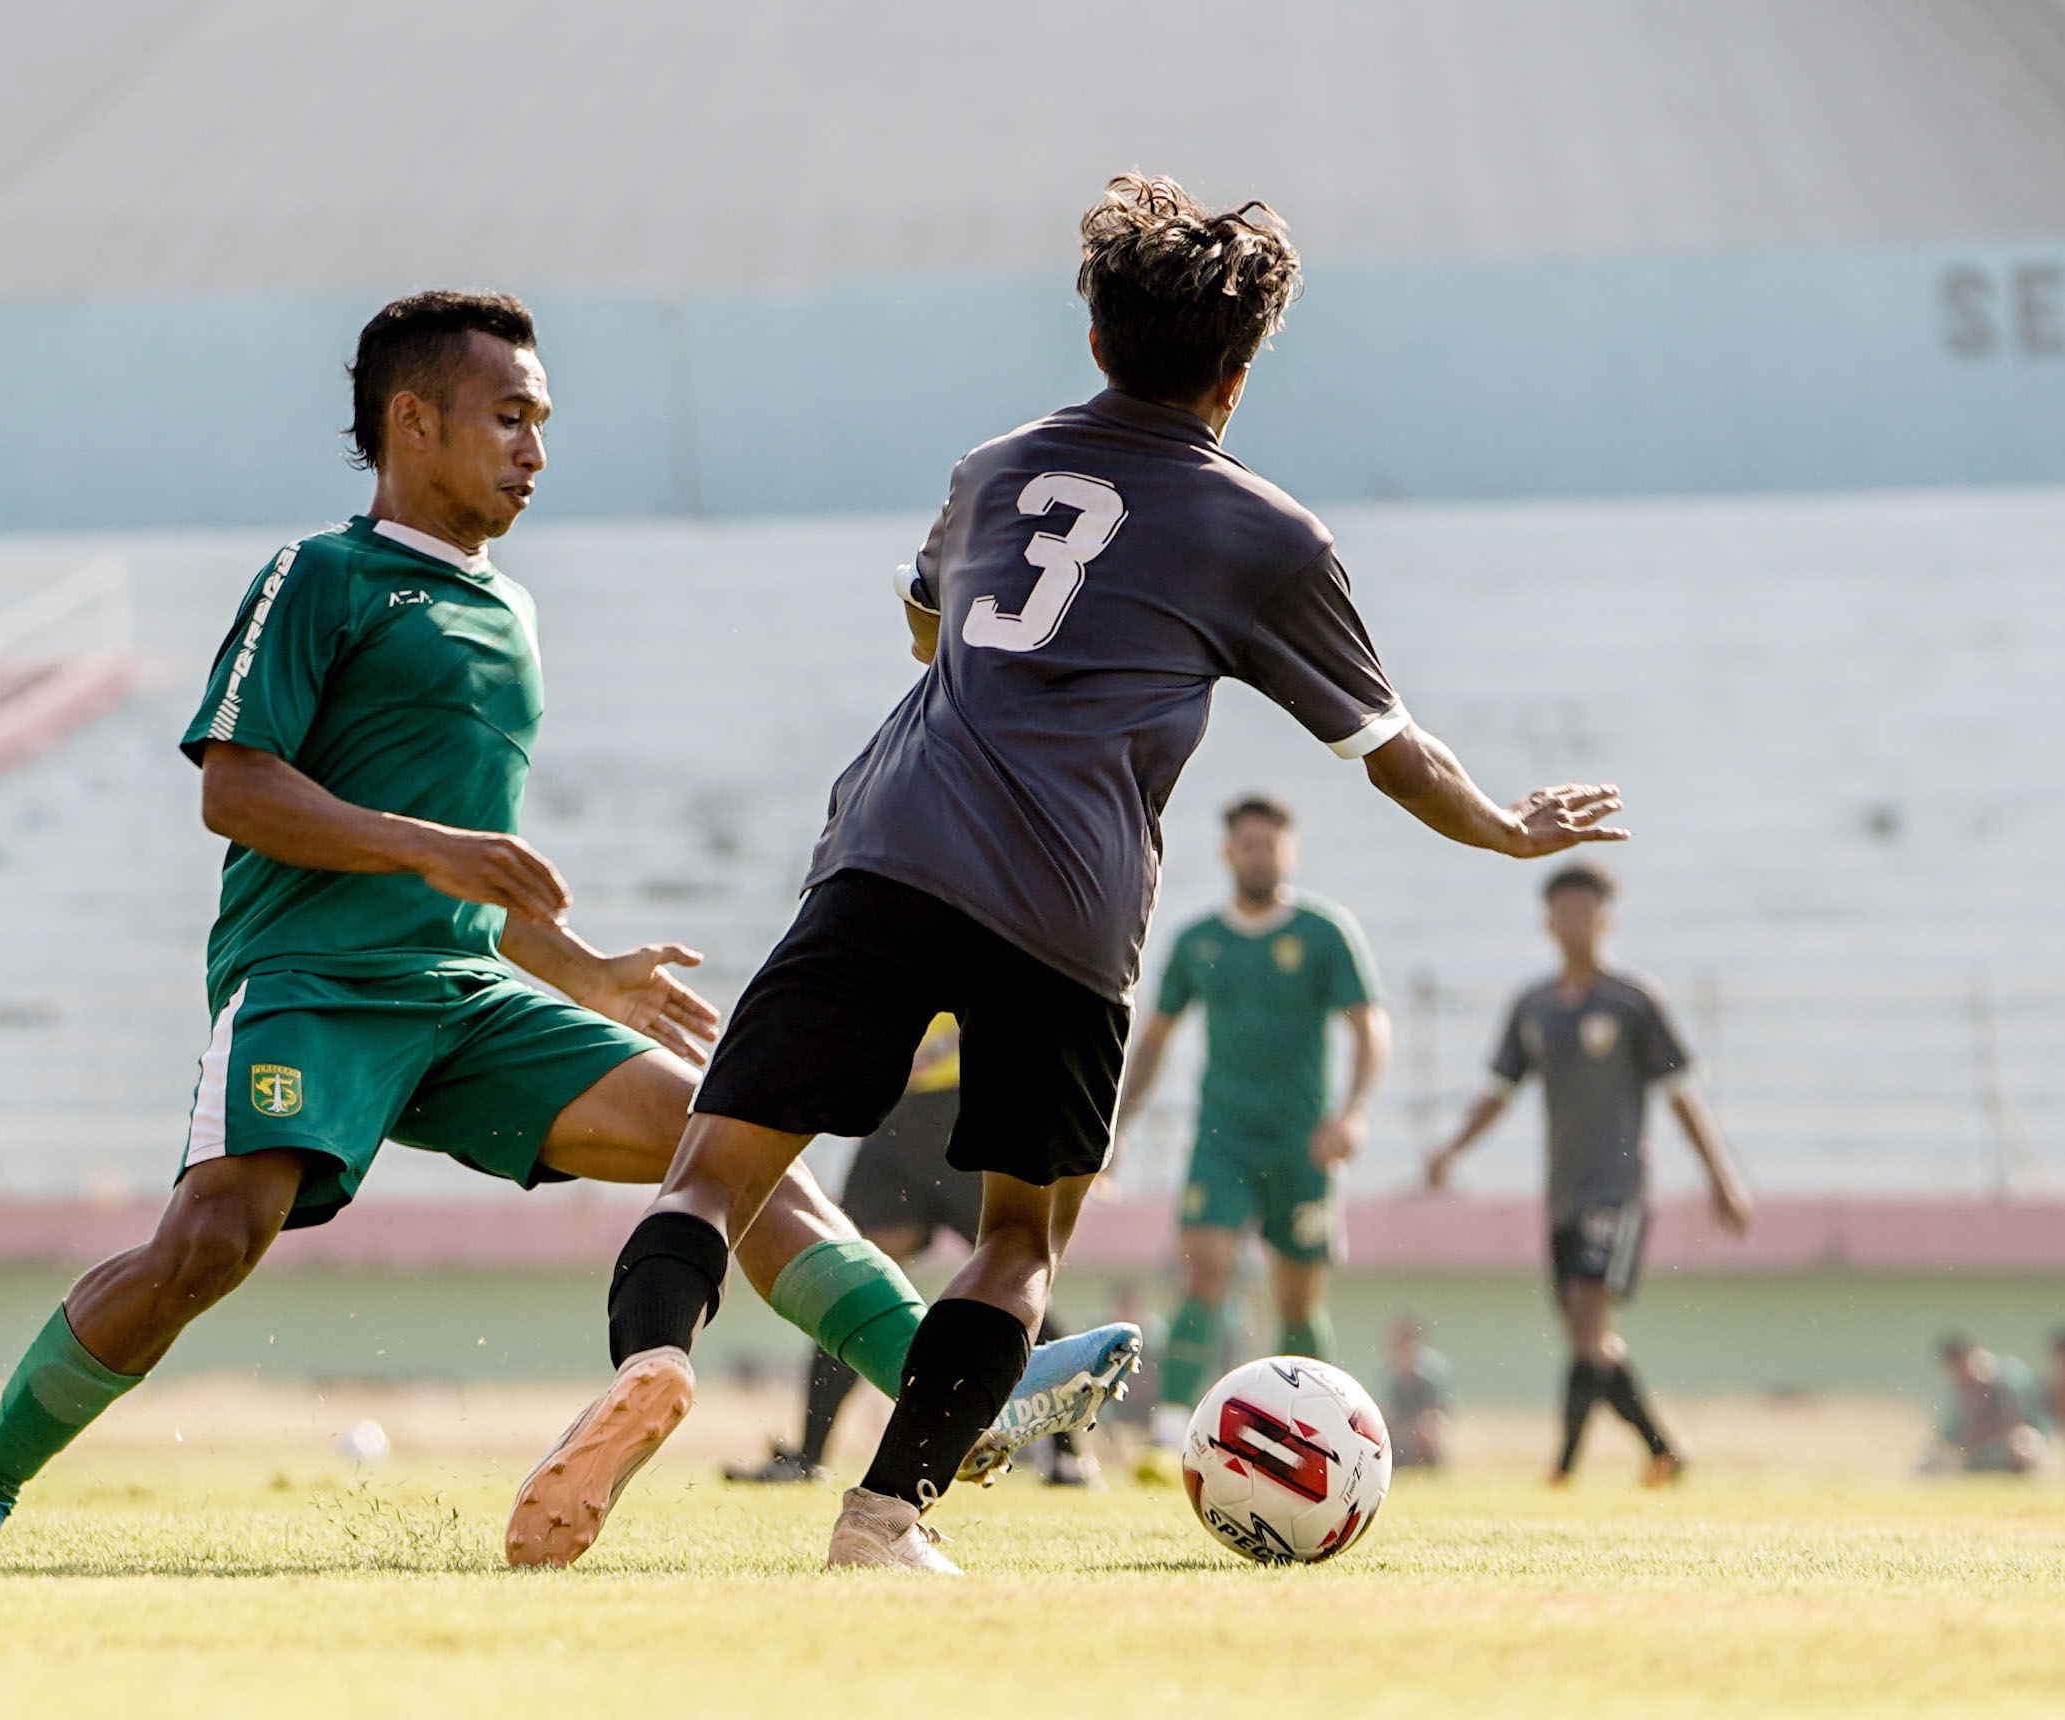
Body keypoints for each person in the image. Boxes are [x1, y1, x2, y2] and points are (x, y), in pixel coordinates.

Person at [511, 172, 1632, 1575]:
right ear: (1240, 371)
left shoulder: (995, 468)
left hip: (890, 850)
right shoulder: (1268, 534)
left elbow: (930, 632)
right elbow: (1389, 750)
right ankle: (883, 1518)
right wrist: (1509, 830)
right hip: (1068, 907)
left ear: (1094, 337)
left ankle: (655, 1361)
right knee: (1019, 1242)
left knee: (708, 1181)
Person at [0, 291, 1100, 1557]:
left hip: (469, 1000)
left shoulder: (511, 613)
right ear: (412, 421)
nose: (536, 449)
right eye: (510, 417)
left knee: (731, 1148)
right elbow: (233, 788)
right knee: (208, 1243)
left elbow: (484, 875)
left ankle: (958, 1382)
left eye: (543, 420)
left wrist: (584, 970)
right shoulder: (322, 576)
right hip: (314, 983)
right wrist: (436, 850)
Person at [1425, 863, 1751, 1485]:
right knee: (1584, 1333)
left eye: (1587, 911)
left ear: (1605, 920)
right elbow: (1498, 1091)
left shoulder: (1634, 1001)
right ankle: (1659, 1450)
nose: (1575, 924)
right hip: (1564, 1195)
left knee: (1585, 1315)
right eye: (1564, 911)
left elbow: (1681, 1095)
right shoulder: (1534, 1007)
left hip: (1618, 1190)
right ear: (1549, 922)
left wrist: (1721, 1178)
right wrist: (1450, 1151)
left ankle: (1567, 1466)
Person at [1114, 793, 1387, 1473]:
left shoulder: (1325, 933)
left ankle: (1322, 1436)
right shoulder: (1199, 941)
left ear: (1288, 852)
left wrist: (1352, 1111)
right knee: (1204, 1267)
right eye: (1247, 844)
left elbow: (1368, 1026)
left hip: (1303, 1143)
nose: (1259, 855)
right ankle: (1169, 1431)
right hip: (1222, 1138)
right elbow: (1153, 1042)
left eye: (1271, 844)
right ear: (1227, 853)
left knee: (1297, 1298)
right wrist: (1117, 1127)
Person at [724, 1015, 1099, 1488]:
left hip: (969, 1104)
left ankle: (1069, 1455)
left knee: (1014, 1260)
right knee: (849, 1273)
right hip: (898, 1121)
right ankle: (808, 1455)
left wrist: (939, 1050)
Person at [1924, 1334, 2047, 1474]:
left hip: (2016, 1446)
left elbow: (2013, 1425)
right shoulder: (1962, 1388)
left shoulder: (2008, 1378)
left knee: (2024, 1446)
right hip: (1980, 1454)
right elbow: (1950, 1437)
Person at [1384, 1313, 1453, 1470]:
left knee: (1427, 1432)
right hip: (1402, 1433)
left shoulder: (1432, 1373)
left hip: (1425, 1430)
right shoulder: (1393, 1376)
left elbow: (1440, 1413)